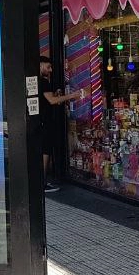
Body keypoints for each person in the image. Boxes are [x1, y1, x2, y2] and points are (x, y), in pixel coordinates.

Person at [39, 55, 83, 194]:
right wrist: (72, 96)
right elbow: (52, 101)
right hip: (44, 121)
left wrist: (57, 96)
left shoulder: (38, 81)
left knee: (45, 150)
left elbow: (50, 99)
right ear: (41, 65)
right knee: (45, 151)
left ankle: (41, 182)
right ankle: (41, 183)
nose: (50, 70)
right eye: (48, 67)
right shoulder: (43, 81)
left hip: (41, 121)